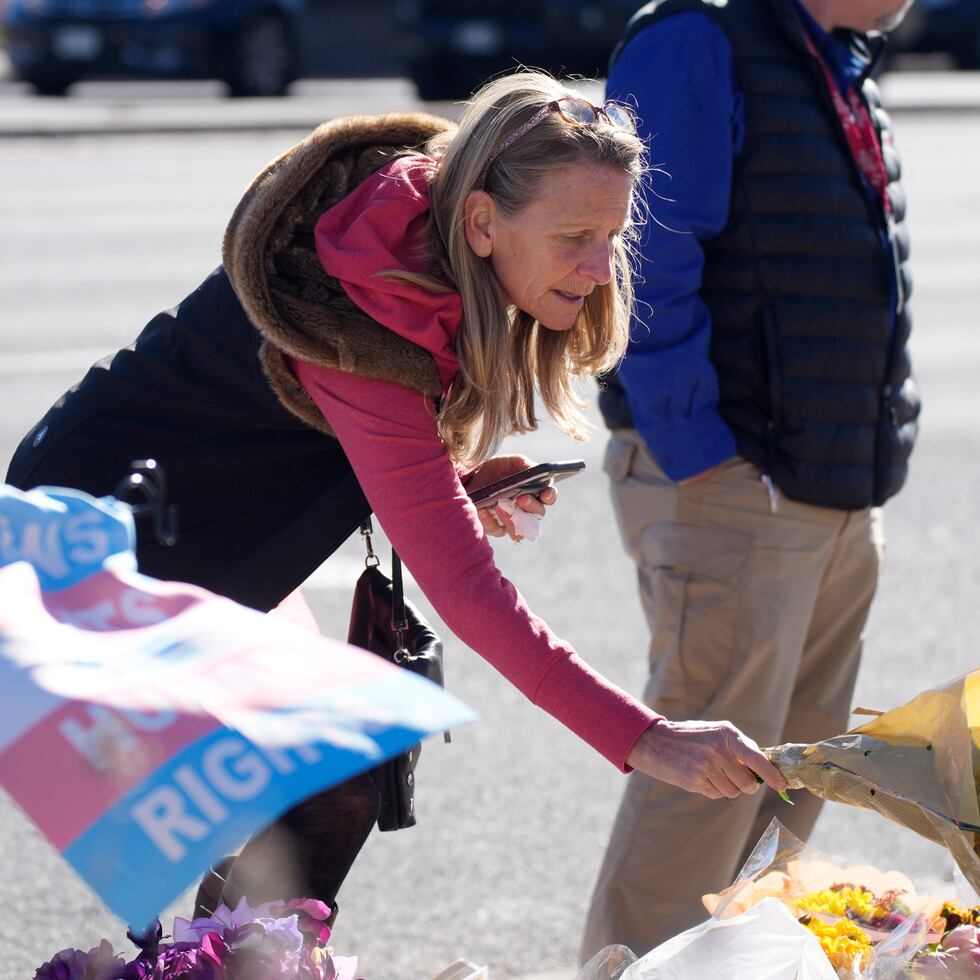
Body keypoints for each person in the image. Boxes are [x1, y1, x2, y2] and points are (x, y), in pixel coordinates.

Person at [5, 70, 785, 919]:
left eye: (612, 234)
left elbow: (335, 434)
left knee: (337, 782)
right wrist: (646, 737)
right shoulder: (365, 310)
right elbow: (463, 586)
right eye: (573, 236)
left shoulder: (425, 222)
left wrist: (442, 481)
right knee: (324, 784)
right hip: (104, 541)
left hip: (206, 518)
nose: (600, 268)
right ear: (483, 222)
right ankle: (237, 953)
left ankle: (241, 951)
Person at [580, 0, 920, 959]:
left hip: (832, 482)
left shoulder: (830, 54)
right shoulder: (702, 37)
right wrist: (705, 462)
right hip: (738, 480)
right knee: (698, 793)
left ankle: (742, 971)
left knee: (791, 786)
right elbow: (637, 253)